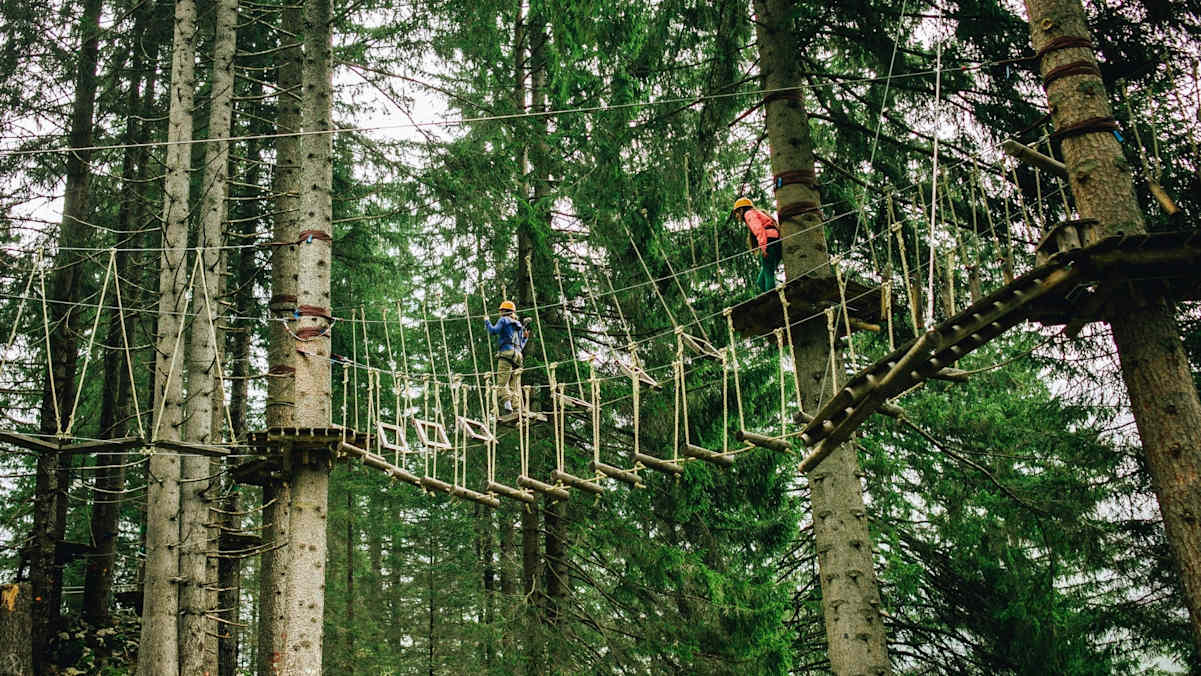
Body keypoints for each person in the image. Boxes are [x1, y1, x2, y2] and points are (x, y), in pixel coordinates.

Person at [484, 300, 530, 420]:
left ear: (503, 311)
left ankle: (507, 404)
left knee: (502, 382)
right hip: (518, 356)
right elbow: (521, 345)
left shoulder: (503, 320)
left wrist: (487, 321)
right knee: (513, 385)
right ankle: (516, 407)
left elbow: (493, 331)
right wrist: (525, 338)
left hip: (506, 354)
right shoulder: (519, 325)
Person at [733, 197, 782, 292]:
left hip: (768, 242)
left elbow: (759, 230)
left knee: (768, 274)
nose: (736, 216)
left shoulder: (749, 214)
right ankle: (771, 295)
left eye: (737, 212)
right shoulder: (758, 213)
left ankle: (772, 297)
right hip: (776, 241)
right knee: (761, 281)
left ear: (742, 210)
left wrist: (763, 247)